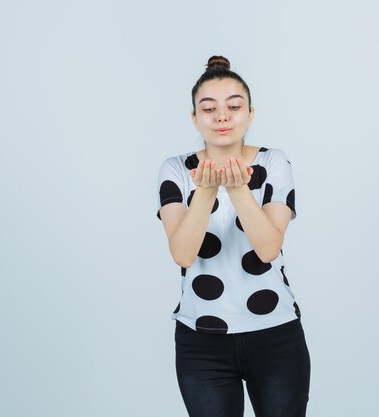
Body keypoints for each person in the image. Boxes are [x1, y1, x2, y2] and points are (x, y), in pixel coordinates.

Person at [155, 55, 311, 417]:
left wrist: (238, 189)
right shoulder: (176, 170)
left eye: (233, 106)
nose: (222, 116)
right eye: (208, 109)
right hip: (201, 342)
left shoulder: (274, 163)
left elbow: (269, 247)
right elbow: (182, 253)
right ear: (195, 118)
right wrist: (206, 192)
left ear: (250, 114)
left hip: (275, 334)